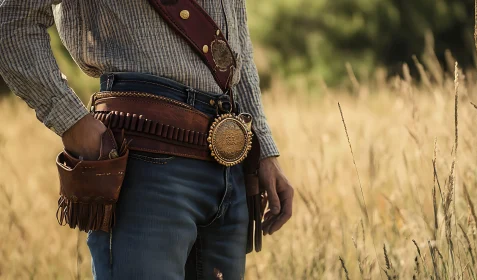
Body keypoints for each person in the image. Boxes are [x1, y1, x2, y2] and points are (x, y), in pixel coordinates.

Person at [0, 1, 294, 279]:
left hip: (231, 169)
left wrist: (264, 150)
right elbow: (12, 24)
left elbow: (235, 46)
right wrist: (73, 124)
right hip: (143, 161)